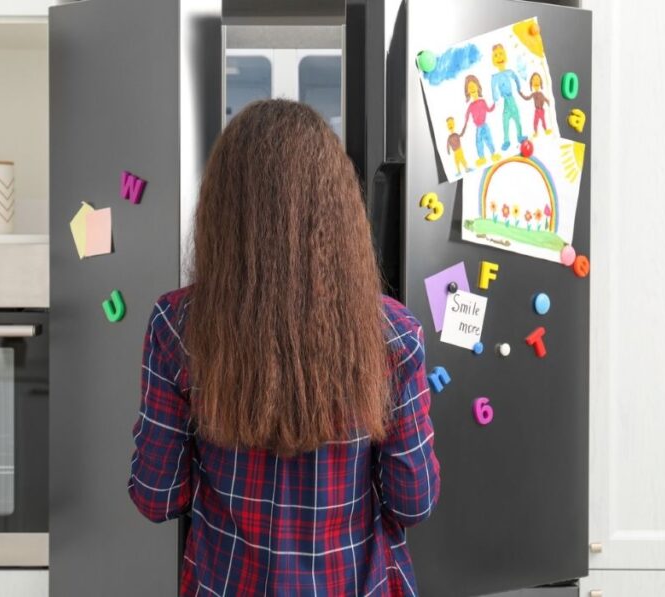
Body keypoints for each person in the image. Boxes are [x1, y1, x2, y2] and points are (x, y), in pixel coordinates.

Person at [128, 99, 441, 597]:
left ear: (221, 212)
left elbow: (156, 495)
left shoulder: (178, 327)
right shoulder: (393, 334)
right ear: (339, 212)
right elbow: (414, 501)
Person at [489, 44, 527, 150]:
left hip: (511, 99)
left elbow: (515, 78)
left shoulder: (509, 72)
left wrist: (519, 89)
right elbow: (493, 88)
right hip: (506, 100)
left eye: (501, 54)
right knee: (505, 120)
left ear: (505, 56)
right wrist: (495, 98)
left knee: (516, 118)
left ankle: (519, 136)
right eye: (496, 55)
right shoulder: (495, 77)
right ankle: (506, 140)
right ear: (493, 59)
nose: (499, 57)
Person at [459, 74, 499, 166]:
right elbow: (466, 119)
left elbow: (489, 110)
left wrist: (495, 104)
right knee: (479, 142)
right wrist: (462, 132)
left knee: (489, 139)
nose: (472, 88)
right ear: (467, 91)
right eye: (469, 87)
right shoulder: (470, 106)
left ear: (478, 87)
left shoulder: (483, 101)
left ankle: (493, 154)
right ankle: (482, 158)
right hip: (478, 128)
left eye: (473, 85)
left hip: (485, 125)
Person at [519, 72, 552, 137]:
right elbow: (527, 98)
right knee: (535, 122)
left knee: (543, 121)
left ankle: (545, 130)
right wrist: (521, 94)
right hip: (537, 111)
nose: (536, 81)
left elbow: (546, 99)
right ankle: (536, 132)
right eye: (533, 80)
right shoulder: (533, 94)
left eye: (537, 79)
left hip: (542, 110)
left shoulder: (541, 94)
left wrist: (549, 103)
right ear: (531, 84)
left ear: (540, 82)